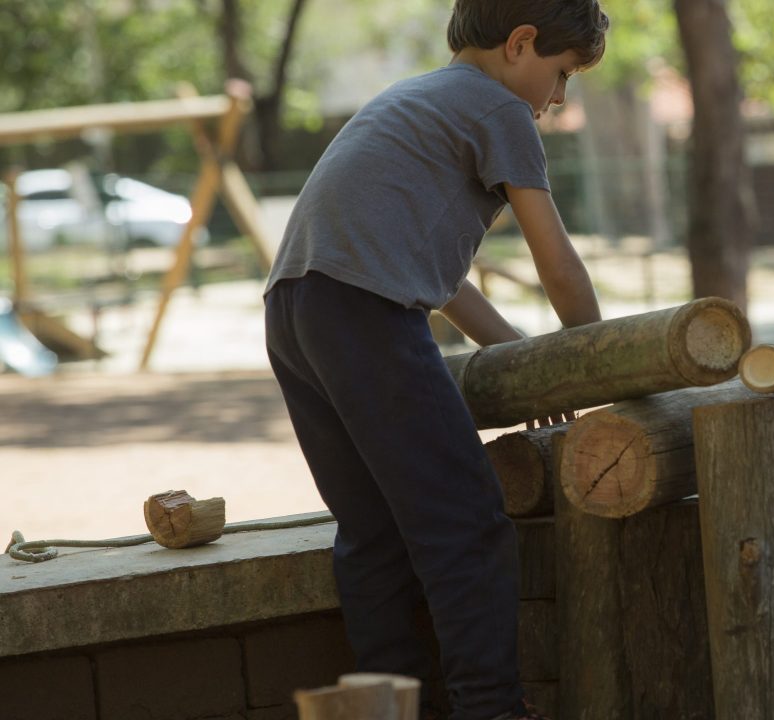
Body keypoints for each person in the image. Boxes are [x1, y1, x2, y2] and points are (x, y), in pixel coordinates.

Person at [262, 1, 609, 718]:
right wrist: (593, 359)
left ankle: (386, 705)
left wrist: (522, 359)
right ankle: (492, 708)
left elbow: (444, 280)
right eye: (563, 73)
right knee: (467, 523)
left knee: (374, 533)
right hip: (363, 313)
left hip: (295, 309)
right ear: (521, 44)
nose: (559, 98)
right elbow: (558, 264)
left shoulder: (415, 99)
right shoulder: (498, 111)